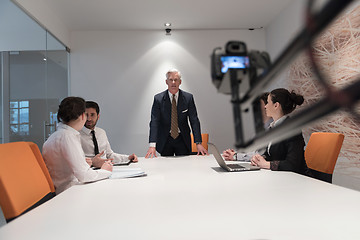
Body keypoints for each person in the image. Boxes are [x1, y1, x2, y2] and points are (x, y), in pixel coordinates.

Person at [42, 97, 113, 194]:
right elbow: (84, 176)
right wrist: (106, 171)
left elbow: (62, 166)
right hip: (69, 191)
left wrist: (82, 162)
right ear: (83, 116)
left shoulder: (56, 135)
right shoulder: (68, 136)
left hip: (65, 189)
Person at [146, 68, 208, 158]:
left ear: (180, 82)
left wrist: (198, 143)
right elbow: (154, 122)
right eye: (171, 80)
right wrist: (152, 145)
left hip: (182, 139)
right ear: (166, 82)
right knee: (165, 168)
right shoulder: (158, 99)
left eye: (176, 80)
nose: (173, 82)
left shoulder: (188, 98)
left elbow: (194, 120)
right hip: (165, 139)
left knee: (184, 167)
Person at [79, 101, 138, 168]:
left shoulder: (101, 132)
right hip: (87, 170)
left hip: (105, 169)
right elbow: (75, 160)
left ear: (98, 116)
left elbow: (109, 155)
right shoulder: (76, 135)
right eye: (86, 115)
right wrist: (93, 162)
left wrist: (128, 158)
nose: (89, 119)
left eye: (92, 115)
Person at [223, 92, 272, 161]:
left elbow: (260, 154)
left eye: (259, 104)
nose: (255, 107)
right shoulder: (261, 128)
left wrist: (236, 156)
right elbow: (252, 150)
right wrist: (235, 153)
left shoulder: (273, 128)